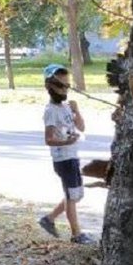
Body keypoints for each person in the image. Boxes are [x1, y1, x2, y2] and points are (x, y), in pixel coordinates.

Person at [38, 63, 94, 244]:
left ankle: (49, 219)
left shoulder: (66, 107)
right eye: (60, 85)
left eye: (67, 85)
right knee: (72, 196)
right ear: (49, 86)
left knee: (75, 194)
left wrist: (77, 111)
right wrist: (66, 142)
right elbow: (48, 139)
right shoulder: (51, 111)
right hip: (63, 159)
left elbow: (82, 127)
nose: (64, 89)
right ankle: (76, 234)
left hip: (72, 155)